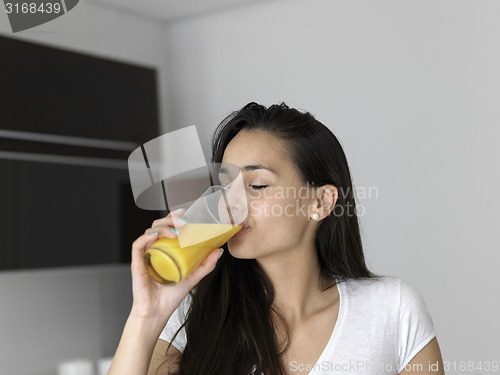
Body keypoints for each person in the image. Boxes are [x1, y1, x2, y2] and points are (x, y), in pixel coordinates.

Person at [108, 102, 444, 375]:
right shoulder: (193, 316)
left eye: (257, 185)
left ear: (320, 202)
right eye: (224, 186)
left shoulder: (391, 309)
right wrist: (147, 316)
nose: (231, 202)